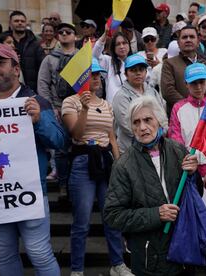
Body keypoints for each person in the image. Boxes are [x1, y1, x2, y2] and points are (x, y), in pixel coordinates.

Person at [0, 42, 64, 275]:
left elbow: (58, 141)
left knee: (39, 253)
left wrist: (39, 121)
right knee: (4, 255)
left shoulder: (37, 102)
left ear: (16, 69)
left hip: (31, 192)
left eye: (0, 62)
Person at [104, 95, 199, 275]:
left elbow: (195, 195)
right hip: (150, 258)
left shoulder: (177, 150)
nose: (142, 127)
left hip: (183, 249)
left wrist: (194, 176)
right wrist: (156, 214)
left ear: (159, 120)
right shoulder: (124, 165)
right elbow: (113, 215)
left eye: (148, 120)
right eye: (136, 122)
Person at [61, 58, 132, 276]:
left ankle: (117, 264)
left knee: (111, 216)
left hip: (105, 159)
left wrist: (119, 165)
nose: (96, 78)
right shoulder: (70, 102)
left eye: (98, 74)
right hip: (83, 159)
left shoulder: (106, 104)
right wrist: (83, 109)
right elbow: (77, 134)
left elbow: (111, 137)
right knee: (81, 221)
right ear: (81, 78)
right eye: (91, 75)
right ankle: (77, 270)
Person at [168, 63, 206, 274]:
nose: (198, 87)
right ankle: (193, 257)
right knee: (192, 215)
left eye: (201, 82)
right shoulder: (178, 108)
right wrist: (188, 163)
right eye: (193, 83)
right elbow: (175, 140)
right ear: (186, 85)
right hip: (190, 172)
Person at [38, 22, 78, 198]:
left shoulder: (82, 57)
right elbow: (43, 84)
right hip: (58, 108)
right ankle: (63, 185)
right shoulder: (49, 59)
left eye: (68, 32)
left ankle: (77, 185)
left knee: (79, 147)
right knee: (61, 150)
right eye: (60, 32)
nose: (64, 34)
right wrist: (51, 108)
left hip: (79, 107)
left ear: (75, 36)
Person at [113, 54, 165, 154]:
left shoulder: (152, 91)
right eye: (133, 70)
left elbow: (162, 116)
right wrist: (151, 135)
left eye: (141, 69)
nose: (138, 73)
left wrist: (159, 134)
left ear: (146, 72)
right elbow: (127, 126)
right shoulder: (121, 96)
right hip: (130, 151)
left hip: (155, 148)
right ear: (126, 74)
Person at [161, 25, 206, 115]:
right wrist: (189, 107)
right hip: (180, 117)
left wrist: (204, 107)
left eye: (192, 37)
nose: (188, 40)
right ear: (178, 43)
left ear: (198, 42)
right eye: (184, 37)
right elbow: (168, 92)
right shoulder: (169, 64)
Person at [4, 10, 45, 92]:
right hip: (9, 89)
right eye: (16, 21)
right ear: (10, 24)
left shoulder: (35, 44)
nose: (20, 23)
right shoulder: (4, 43)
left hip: (32, 89)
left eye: (22, 21)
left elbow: (42, 68)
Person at [93, 27, 132, 103]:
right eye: (118, 44)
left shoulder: (135, 62)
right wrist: (105, 35)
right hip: (113, 108)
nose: (122, 46)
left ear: (129, 45)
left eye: (124, 43)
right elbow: (95, 55)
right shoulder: (108, 62)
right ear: (113, 48)